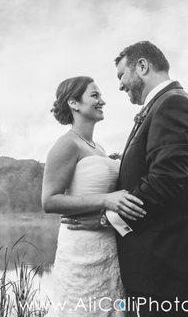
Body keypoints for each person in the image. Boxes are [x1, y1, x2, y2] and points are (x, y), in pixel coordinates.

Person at [105, 41, 188, 316]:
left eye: (121, 75)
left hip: (168, 272)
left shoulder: (174, 104)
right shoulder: (167, 104)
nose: (119, 85)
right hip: (167, 271)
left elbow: (164, 180)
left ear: (142, 66)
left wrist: (110, 217)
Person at [41, 76, 146, 317]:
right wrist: (105, 200)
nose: (102, 101)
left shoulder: (98, 148)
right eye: (95, 95)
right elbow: (49, 201)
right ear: (74, 103)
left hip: (109, 245)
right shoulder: (66, 145)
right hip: (81, 251)